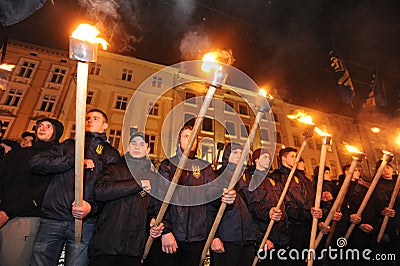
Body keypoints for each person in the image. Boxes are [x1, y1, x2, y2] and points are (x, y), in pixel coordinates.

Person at [29, 109, 120, 266]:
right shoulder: (68, 145)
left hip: (85, 223)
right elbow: (36, 163)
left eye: (96, 118)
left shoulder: (110, 153)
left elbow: (110, 189)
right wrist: (74, 160)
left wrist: (92, 207)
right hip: (53, 218)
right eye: (87, 118)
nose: (90, 120)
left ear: (105, 126)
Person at [152, 125, 236, 266]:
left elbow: (211, 199)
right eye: (186, 136)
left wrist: (223, 198)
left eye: (193, 137)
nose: (190, 140)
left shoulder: (204, 167)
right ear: (179, 141)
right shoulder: (168, 165)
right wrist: (166, 230)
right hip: (173, 237)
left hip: (198, 238)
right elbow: (160, 200)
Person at [88, 132, 163, 266]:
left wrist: (153, 221)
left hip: (133, 250)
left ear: (148, 149)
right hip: (106, 245)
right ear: (128, 147)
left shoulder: (154, 177)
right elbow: (100, 191)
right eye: (133, 143)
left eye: (141, 144)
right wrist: (137, 184)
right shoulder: (114, 168)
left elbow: (153, 207)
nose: (137, 147)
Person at [0, 118, 64, 266]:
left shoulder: (54, 159)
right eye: (40, 125)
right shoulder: (18, 153)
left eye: (48, 127)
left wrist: (8, 211)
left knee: (11, 261)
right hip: (4, 211)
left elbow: (42, 191)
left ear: (56, 132)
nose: (42, 128)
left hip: (23, 217)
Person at [210, 142, 256, 266]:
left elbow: (252, 209)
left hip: (247, 240)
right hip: (227, 239)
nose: (239, 156)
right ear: (227, 155)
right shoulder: (217, 176)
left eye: (241, 153)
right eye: (235, 153)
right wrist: (214, 237)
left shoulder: (246, 179)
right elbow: (209, 209)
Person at [273, 147, 318, 265]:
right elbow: (285, 203)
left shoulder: (301, 177)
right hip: (292, 227)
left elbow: (311, 197)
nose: (296, 159)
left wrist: (315, 212)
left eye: (296, 156)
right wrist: (306, 213)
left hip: (308, 224)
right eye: (292, 156)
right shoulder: (278, 177)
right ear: (283, 158)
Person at [247, 148, 290, 266]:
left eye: (269, 157)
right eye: (264, 157)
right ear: (256, 160)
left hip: (280, 235)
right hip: (266, 234)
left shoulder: (272, 180)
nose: (268, 159)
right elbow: (253, 208)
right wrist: (261, 238)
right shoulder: (252, 180)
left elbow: (282, 205)